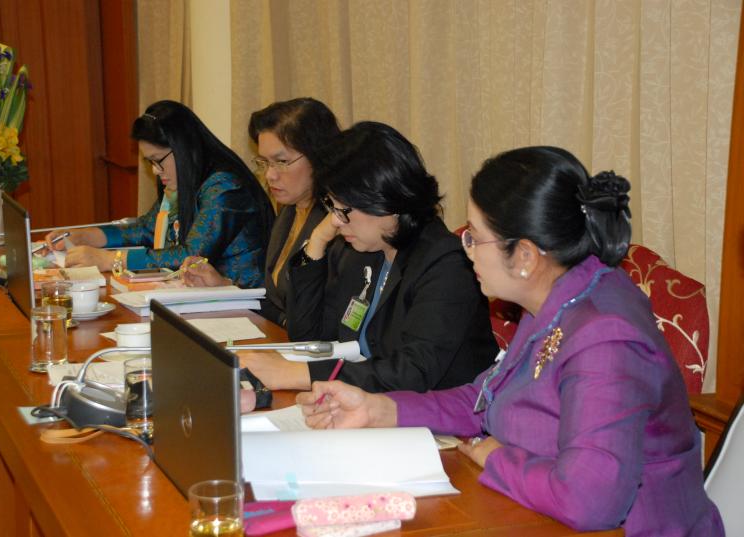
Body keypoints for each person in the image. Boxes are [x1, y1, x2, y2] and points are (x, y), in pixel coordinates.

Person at [296, 146, 723, 536]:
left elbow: (589, 502)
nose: (465, 249)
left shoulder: (605, 336)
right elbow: (484, 397)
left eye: (474, 237)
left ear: (524, 256)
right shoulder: (554, 295)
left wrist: (495, 457)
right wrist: (378, 409)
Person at [238, 121, 498, 392]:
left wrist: (299, 374)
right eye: (331, 206)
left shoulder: (446, 264)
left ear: (386, 200)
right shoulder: (360, 250)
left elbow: (413, 371)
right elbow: (307, 335)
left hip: (435, 413)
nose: (336, 221)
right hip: (364, 403)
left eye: (343, 209)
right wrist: (316, 242)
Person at [45, 100, 274, 288]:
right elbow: (147, 228)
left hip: (248, 304)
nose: (155, 171)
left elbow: (189, 256)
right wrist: (86, 236)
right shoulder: (187, 180)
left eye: (158, 160)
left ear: (183, 150)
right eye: (150, 162)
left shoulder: (225, 187)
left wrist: (110, 260)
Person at [182, 98, 341, 325]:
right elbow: (274, 300)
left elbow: (317, 321)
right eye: (264, 162)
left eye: (281, 161)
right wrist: (225, 286)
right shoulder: (289, 212)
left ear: (318, 157)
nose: (269, 175)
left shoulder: (338, 224)